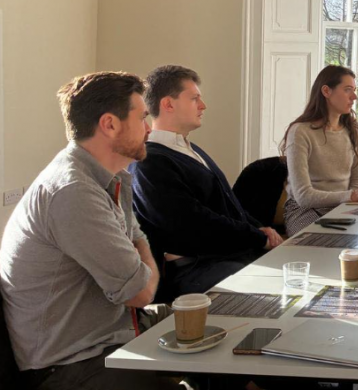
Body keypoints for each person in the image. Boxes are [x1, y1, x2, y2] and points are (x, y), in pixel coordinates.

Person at [0, 72, 173, 390]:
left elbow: (138, 244)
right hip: (74, 365)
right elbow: (139, 293)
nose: (149, 128)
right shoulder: (73, 192)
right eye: (142, 118)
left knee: (222, 329)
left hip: (112, 336)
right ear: (110, 124)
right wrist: (140, 257)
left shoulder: (110, 177)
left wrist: (139, 257)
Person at [128, 65, 283, 301]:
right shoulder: (149, 162)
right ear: (168, 104)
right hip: (195, 269)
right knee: (282, 292)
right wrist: (257, 237)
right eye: (194, 99)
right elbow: (191, 224)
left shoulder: (191, 150)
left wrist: (263, 231)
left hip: (228, 256)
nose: (203, 106)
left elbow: (228, 206)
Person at [281, 65, 358, 237]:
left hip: (344, 207)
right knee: (331, 241)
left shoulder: (351, 129)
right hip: (304, 211)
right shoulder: (300, 132)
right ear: (326, 91)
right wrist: (351, 196)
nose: (354, 97)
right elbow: (303, 197)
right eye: (347, 90)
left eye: (354, 90)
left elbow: (357, 181)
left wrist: (353, 198)